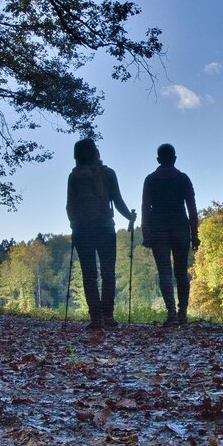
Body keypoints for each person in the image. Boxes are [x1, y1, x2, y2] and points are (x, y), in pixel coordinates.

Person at [66, 139, 136, 329]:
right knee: (108, 273)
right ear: (95, 152)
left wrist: (74, 225)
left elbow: (69, 205)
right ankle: (108, 316)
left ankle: (96, 319)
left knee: (89, 275)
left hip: (82, 230)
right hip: (105, 228)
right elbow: (118, 201)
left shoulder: (74, 176)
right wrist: (130, 216)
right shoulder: (108, 173)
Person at [141, 143, 199, 327]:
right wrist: (195, 234)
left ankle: (171, 313)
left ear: (158, 159)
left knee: (164, 272)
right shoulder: (183, 179)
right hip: (181, 229)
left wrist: (146, 233)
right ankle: (183, 314)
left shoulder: (150, 180)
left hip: (158, 230)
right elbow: (192, 209)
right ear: (174, 158)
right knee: (181, 272)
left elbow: (145, 209)